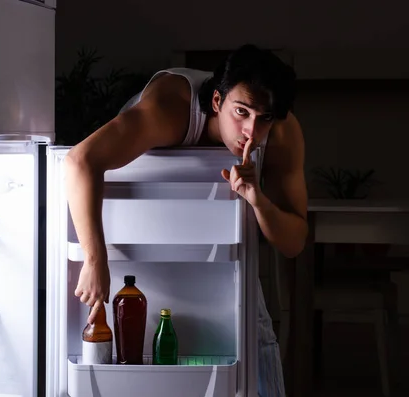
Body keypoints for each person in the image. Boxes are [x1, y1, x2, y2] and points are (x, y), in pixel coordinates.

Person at [64, 44, 308, 396]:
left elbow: (294, 241)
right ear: (216, 102)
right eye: (241, 112)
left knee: (250, 323)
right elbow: (79, 162)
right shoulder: (169, 109)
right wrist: (94, 258)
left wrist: (259, 201)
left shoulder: (282, 132)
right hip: (134, 216)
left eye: (264, 118)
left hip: (221, 232)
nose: (252, 131)